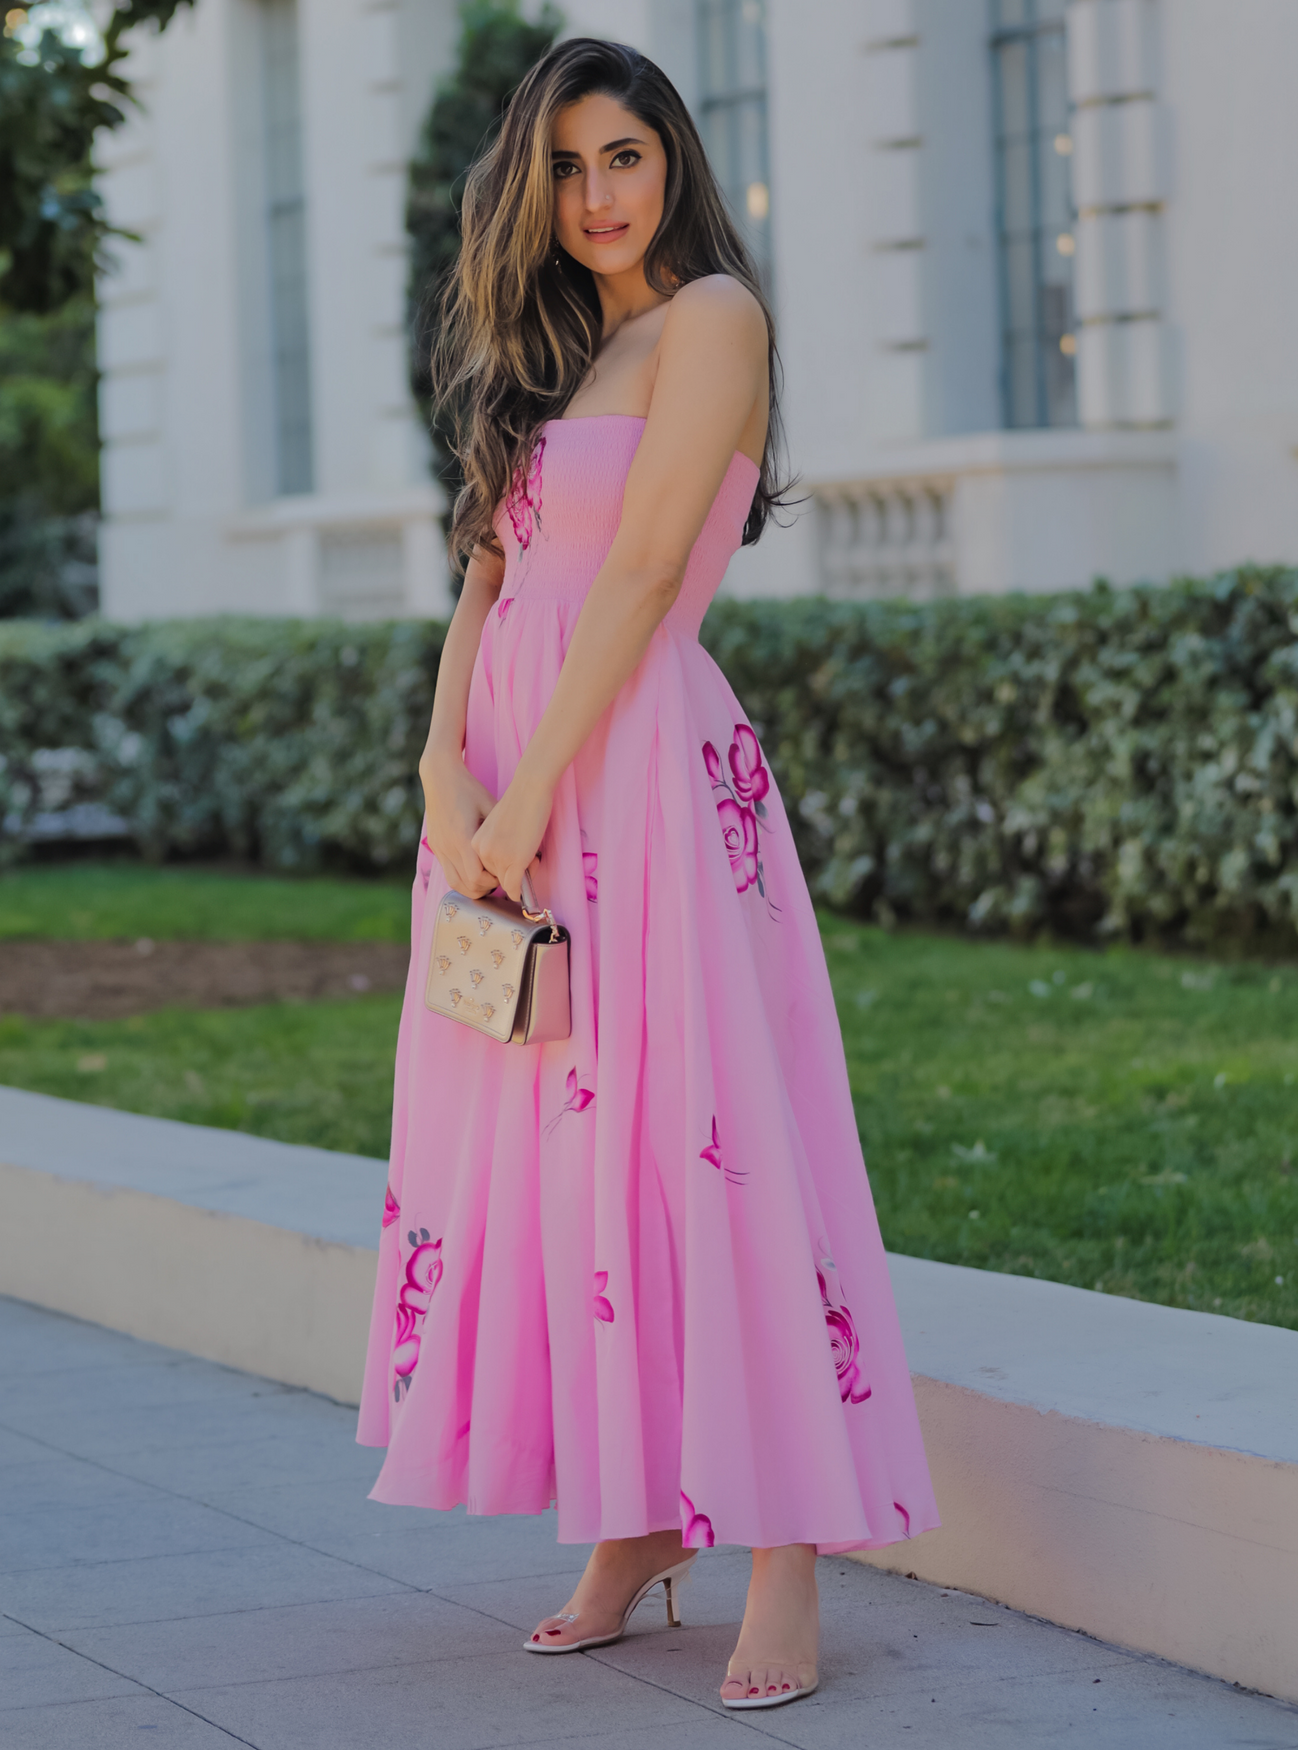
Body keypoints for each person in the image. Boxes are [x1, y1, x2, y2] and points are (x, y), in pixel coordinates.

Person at [356, 37, 938, 1712]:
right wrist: (439, 765)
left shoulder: (715, 323)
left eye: (626, 157)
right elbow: (490, 580)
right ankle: (626, 1521)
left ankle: (782, 1550)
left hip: (641, 784)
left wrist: (533, 787)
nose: (600, 196)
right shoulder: (552, 350)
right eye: (566, 169)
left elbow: (636, 581)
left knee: (717, 1141)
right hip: (507, 795)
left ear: (675, 160)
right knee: (563, 1161)